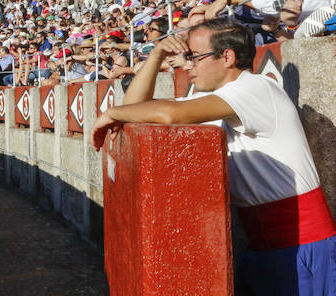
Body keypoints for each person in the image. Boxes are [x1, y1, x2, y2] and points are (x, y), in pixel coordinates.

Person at [90, 17, 335, 294]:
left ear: (227, 56)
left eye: (195, 57)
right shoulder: (222, 99)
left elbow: (169, 115)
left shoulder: (254, 88)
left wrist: (109, 114)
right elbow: (135, 107)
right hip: (265, 246)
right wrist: (156, 56)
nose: (188, 66)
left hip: (302, 245)